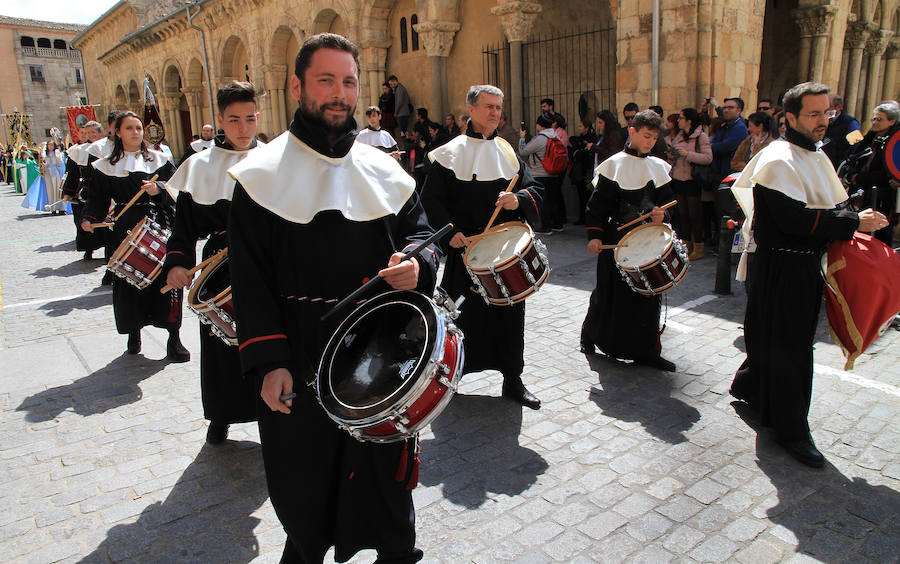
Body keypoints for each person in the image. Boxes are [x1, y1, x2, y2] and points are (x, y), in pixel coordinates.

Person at [227, 33, 439, 563]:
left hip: (382, 358)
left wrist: (419, 266)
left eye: (348, 81)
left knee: (388, 495)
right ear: (298, 86)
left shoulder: (385, 169)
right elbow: (248, 280)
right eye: (326, 80)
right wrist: (268, 361)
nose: (339, 93)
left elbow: (422, 235)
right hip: (300, 359)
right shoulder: (259, 177)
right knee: (306, 499)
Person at [729, 82, 887, 468]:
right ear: (791, 118)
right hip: (784, 266)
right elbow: (793, 219)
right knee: (791, 349)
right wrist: (854, 222)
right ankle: (791, 431)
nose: (823, 120)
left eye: (826, 112)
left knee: (771, 336)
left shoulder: (812, 154)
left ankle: (752, 388)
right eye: (813, 114)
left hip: (795, 264)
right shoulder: (778, 160)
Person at [421, 84, 544, 410]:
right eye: (488, 107)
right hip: (466, 251)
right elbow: (430, 203)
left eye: (498, 108)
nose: (495, 113)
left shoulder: (507, 151)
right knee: (460, 318)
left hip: (503, 251)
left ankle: (513, 380)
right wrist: (451, 233)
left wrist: (516, 199)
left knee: (510, 318)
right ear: (471, 110)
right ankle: (452, 378)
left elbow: (534, 191)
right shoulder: (448, 153)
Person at [162, 81, 262, 445]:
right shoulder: (201, 165)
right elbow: (184, 227)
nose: (242, 128)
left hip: (267, 266)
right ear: (220, 119)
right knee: (221, 345)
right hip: (220, 268)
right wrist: (176, 263)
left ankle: (273, 412)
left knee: (269, 340)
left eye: (250, 119)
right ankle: (222, 414)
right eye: (234, 120)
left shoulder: (275, 158)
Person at [80, 111, 189, 361]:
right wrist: (89, 218)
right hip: (124, 228)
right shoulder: (105, 165)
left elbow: (177, 189)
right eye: (129, 128)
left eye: (138, 128)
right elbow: (97, 198)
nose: (136, 132)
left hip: (158, 225)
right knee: (129, 284)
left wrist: (158, 189)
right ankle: (134, 332)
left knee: (167, 282)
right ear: (117, 132)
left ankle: (174, 338)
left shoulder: (159, 159)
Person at [580, 110, 676, 372]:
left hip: (647, 241)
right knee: (609, 293)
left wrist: (662, 214)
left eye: (654, 138)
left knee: (648, 294)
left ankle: (648, 350)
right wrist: (595, 236)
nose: (649, 142)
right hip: (616, 240)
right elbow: (596, 208)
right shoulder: (614, 165)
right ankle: (591, 333)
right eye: (646, 136)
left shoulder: (658, 167)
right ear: (632, 132)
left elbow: (668, 204)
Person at [845, 101, 900, 246]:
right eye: (874, 119)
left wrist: (861, 178)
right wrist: (852, 175)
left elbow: (888, 172)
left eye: (879, 119)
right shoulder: (869, 138)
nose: (875, 122)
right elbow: (855, 157)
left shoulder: (895, 143)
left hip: (881, 197)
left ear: (892, 121)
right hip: (860, 195)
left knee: (879, 239)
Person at [666, 107, 712, 259]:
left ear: (689, 121)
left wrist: (688, 155)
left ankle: (698, 248)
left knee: (694, 215)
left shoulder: (701, 136)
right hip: (679, 178)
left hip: (693, 180)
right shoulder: (679, 136)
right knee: (683, 215)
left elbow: (707, 158)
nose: (678, 121)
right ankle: (686, 246)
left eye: (681, 118)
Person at [62, 121, 107, 259]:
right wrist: (68, 192)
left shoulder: (108, 147)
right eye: (87, 133)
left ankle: (109, 252)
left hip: (106, 188)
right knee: (85, 220)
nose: (91, 135)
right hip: (86, 191)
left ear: (100, 132)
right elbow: (73, 173)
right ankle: (89, 249)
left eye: (94, 132)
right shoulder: (78, 151)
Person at [518, 113, 562, 233]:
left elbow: (523, 151)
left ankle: (544, 227)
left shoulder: (541, 138)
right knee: (554, 200)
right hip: (554, 173)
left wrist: (522, 137)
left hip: (540, 174)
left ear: (540, 125)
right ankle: (557, 224)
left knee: (543, 202)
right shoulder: (556, 136)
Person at [568, 119, 598, 225]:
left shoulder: (593, 139)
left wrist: (582, 152)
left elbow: (582, 154)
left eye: (581, 126)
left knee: (589, 196)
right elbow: (573, 154)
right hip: (580, 172)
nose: (579, 128)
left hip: (589, 171)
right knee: (581, 196)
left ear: (587, 127)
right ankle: (582, 218)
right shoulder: (578, 139)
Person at [822, 94, 861, 169]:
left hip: (837, 166)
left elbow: (856, 145)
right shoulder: (821, 120)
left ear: (838, 107)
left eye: (828, 107)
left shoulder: (850, 123)